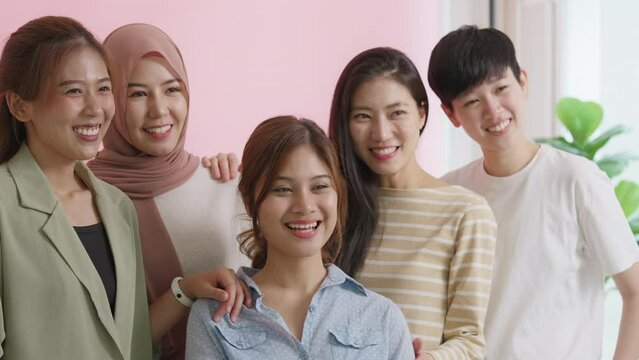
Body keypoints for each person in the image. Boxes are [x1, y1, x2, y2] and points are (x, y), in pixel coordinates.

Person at [428, 25, 639, 359]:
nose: (493, 110)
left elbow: (636, 291)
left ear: (523, 81)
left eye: (501, 88)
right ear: (451, 114)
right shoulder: (450, 192)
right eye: (472, 101)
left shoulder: (576, 180)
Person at [186, 116, 414, 359]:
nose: (304, 206)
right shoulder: (214, 317)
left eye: (319, 187)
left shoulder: (382, 316)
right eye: (283, 189)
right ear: (250, 200)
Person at [88, 23, 248, 360]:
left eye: (171, 89)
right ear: (110, 99)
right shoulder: (83, 195)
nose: (159, 110)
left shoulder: (226, 183)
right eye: (137, 93)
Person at [328, 47, 497, 359]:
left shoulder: (466, 213)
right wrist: (223, 170)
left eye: (397, 113)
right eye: (362, 116)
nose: (380, 133)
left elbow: (469, 341)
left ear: (421, 113)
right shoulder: (327, 203)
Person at [0, 16, 152, 359]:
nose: (95, 108)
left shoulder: (118, 207)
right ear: (19, 105)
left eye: (103, 88)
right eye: (73, 91)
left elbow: (136, 341)